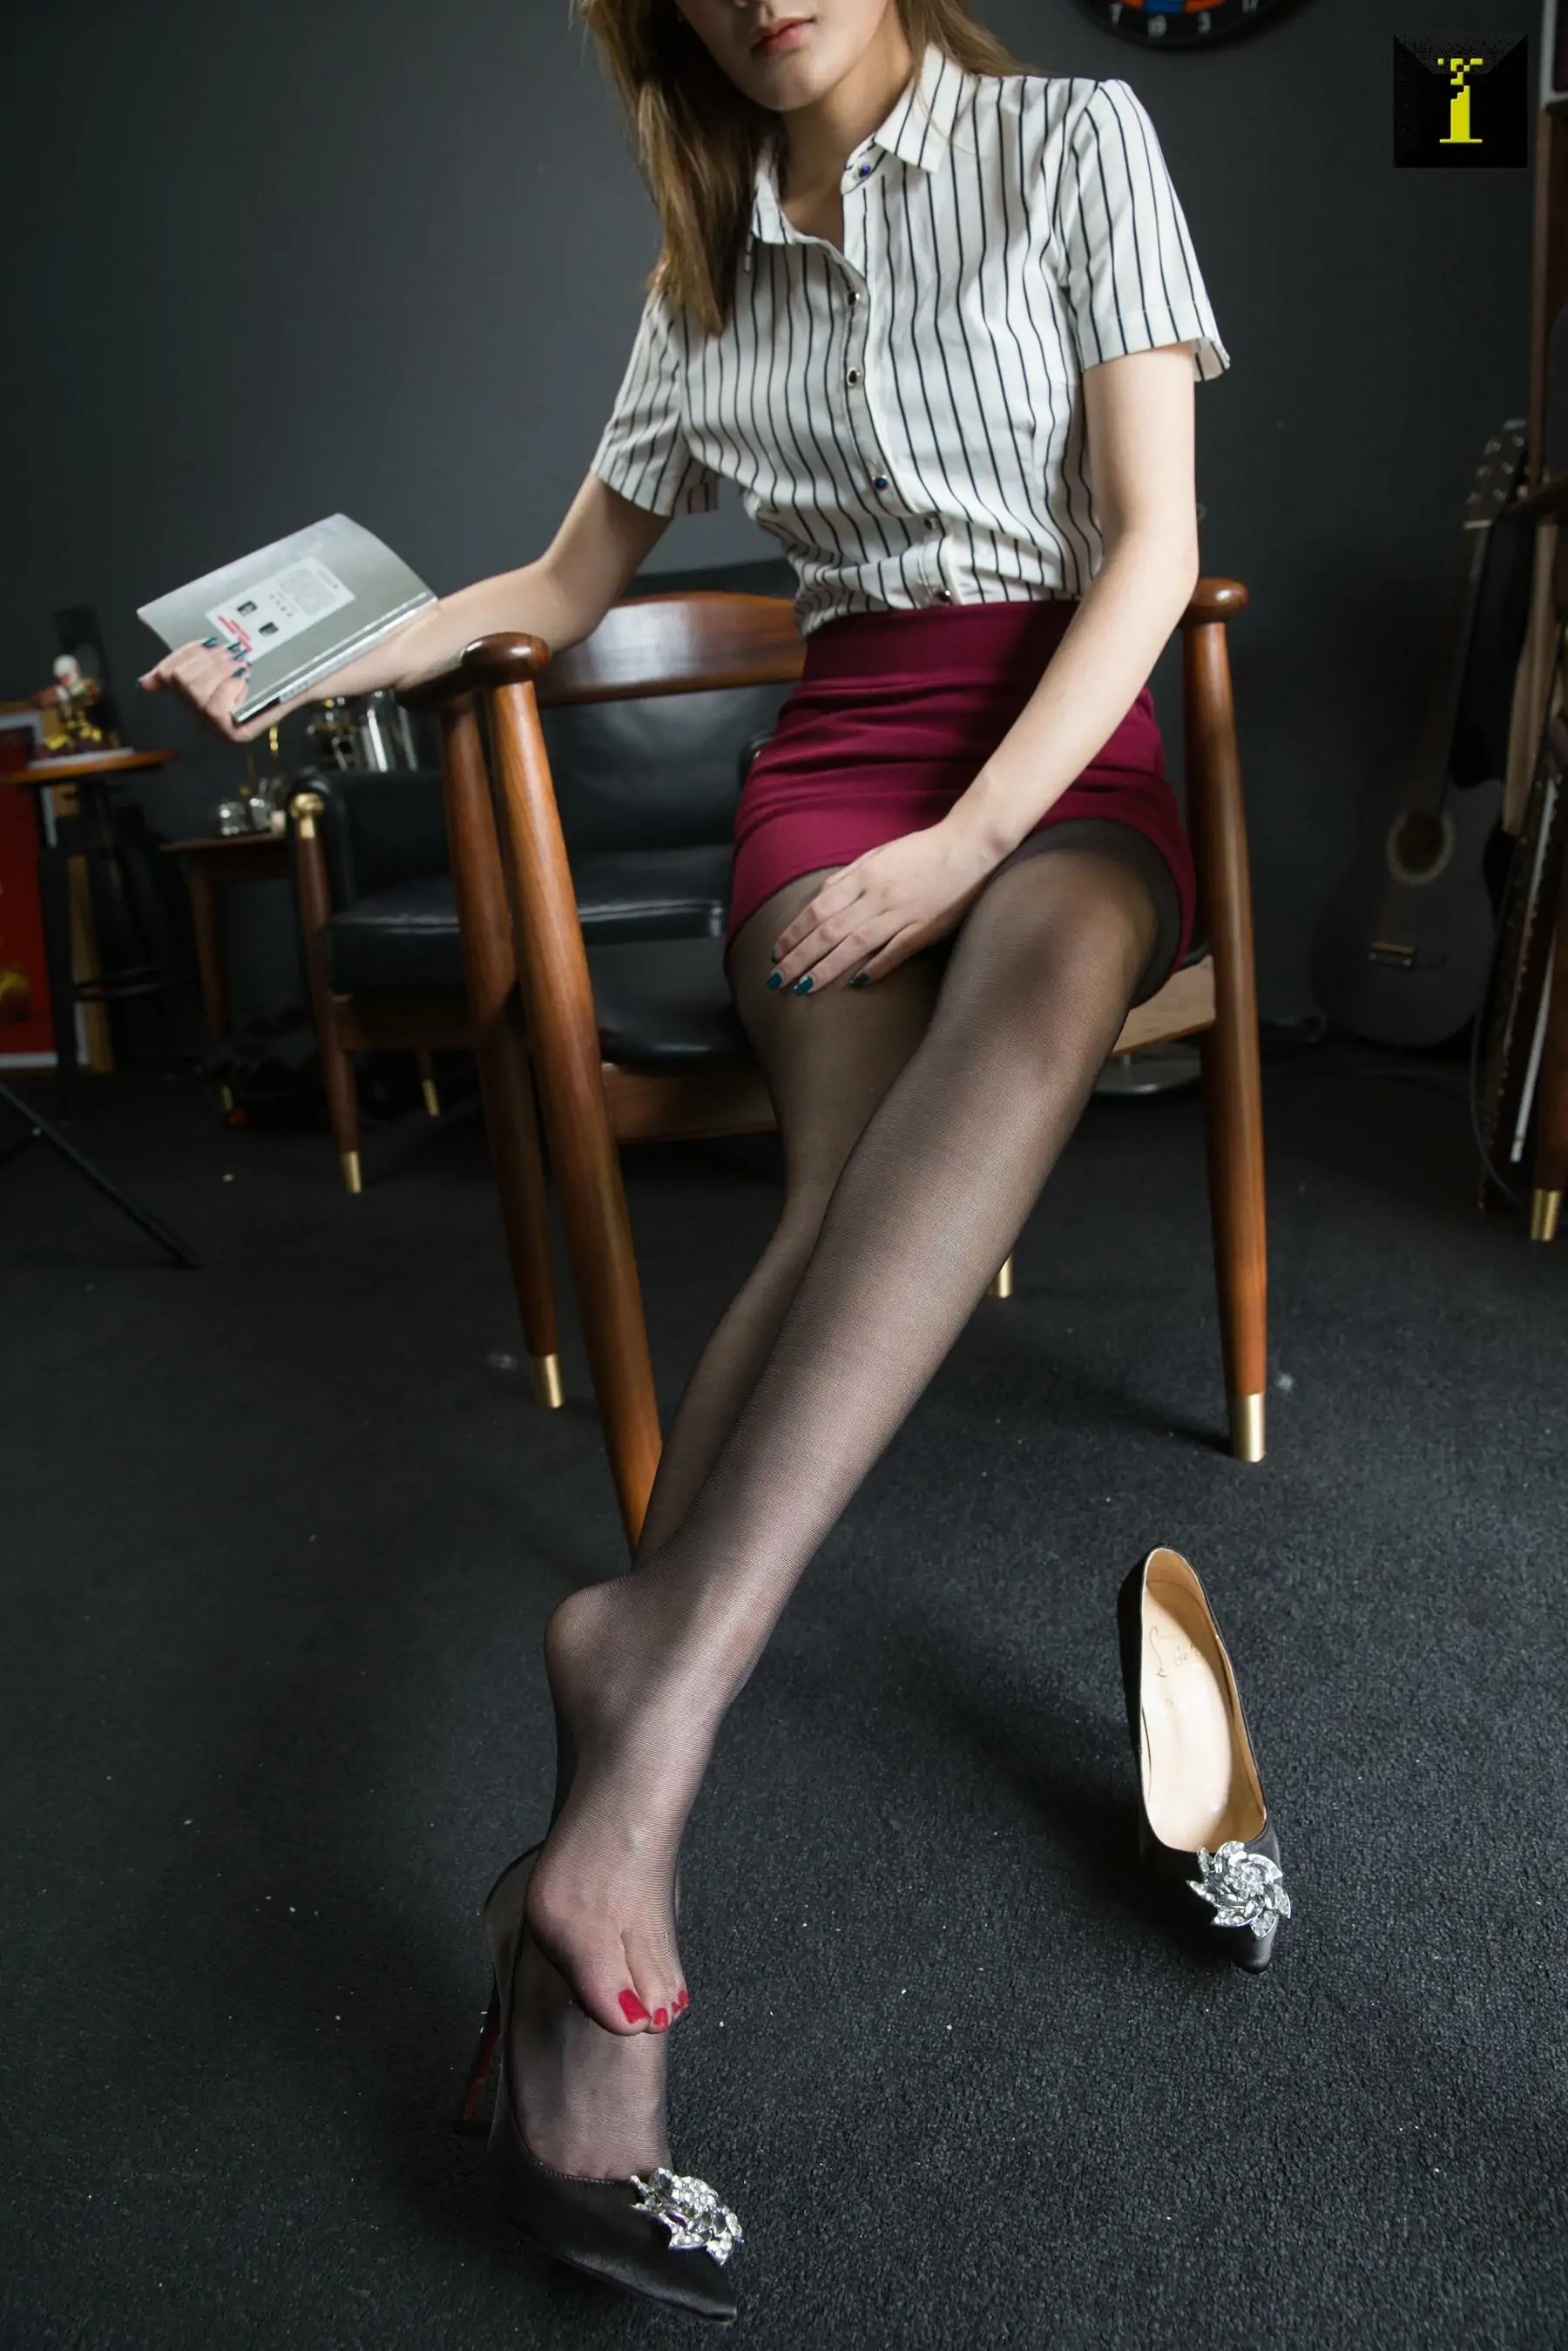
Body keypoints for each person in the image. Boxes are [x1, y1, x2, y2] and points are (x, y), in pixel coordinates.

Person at [142, 0, 1254, 2320]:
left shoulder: (1072, 140)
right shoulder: (702, 269)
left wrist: (965, 847)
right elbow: (557, 591)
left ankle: (627, 1749)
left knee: (1031, 995)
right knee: (849, 1197)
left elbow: (1153, 551)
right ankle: (617, 1793)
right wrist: (317, 662)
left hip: (1057, 757)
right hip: (834, 765)